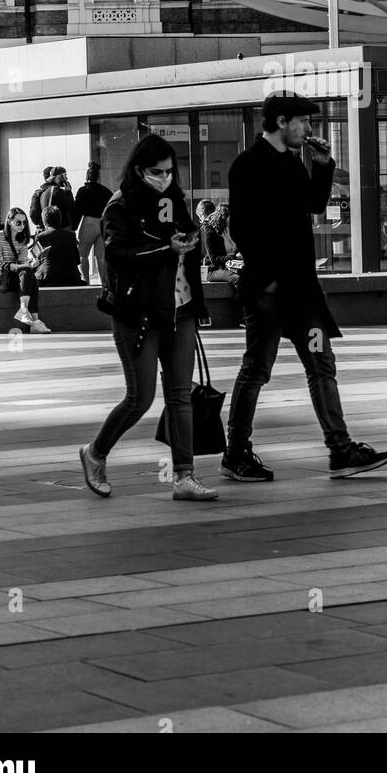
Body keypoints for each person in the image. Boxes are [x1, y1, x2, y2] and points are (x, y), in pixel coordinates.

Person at [222, 93, 387, 483]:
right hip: (269, 292)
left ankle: (341, 449)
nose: (309, 129)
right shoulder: (248, 165)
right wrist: (268, 279)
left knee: (320, 364)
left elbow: (315, 204)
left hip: (302, 294)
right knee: (257, 370)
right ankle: (235, 453)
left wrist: (324, 165)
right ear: (281, 121)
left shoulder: (292, 162)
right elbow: (242, 229)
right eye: (303, 122)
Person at [79, 133, 217, 503]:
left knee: (180, 395)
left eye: (170, 171)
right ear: (140, 170)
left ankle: (184, 477)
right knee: (140, 397)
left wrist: (190, 241)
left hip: (179, 306)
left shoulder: (173, 199)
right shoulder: (119, 206)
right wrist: (163, 248)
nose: (166, 178)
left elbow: (185, 239)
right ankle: (95, 453)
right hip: (137, 314)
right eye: (158, 172)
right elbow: (119, 257)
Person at [0, 207, 51, 334]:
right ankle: (32, 319)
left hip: (16, 274)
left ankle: (31, 318)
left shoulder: (22, 240)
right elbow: (0, 265)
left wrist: (33, 264)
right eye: (18, 222)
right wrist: (23, 266)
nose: (22, 225)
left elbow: (23, 263)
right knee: (28, 273)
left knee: (30, 274)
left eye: (24, 222)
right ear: (9, 221)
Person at [73, 162, 112, 284]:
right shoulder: (105, 191)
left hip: (88, 222)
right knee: (101, 256)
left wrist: (73, 226)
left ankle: (86, 280)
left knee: (82, 254)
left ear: (87, 177)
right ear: (98, 177)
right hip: (102, 223)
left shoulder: (83, 191)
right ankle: (103, 283)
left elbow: (77, 210)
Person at [33, 205, 83, 288]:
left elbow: (36, 261)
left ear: (44, 221)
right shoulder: (71, 235)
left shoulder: (41, 236)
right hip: (72, 278)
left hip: (49, 278)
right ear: (60, 219)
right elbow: (77, 260)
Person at [202, 203, 241, 282]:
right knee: (236, 278)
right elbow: (214, 259)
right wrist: (233, 257)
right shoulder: (210, 233)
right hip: (214, 270)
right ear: (222, 218)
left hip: (230, 266)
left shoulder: (230, 232)